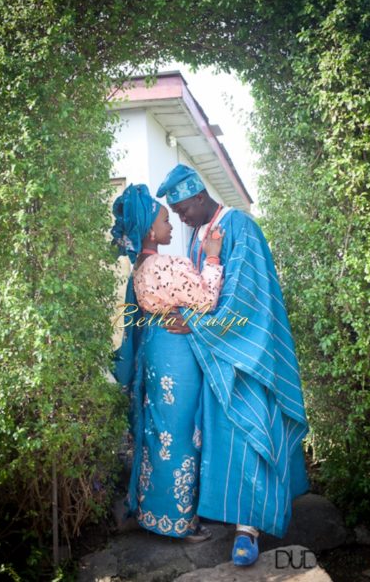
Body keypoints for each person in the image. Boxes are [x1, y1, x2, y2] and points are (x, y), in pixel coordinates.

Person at [155, 164, 309, 566]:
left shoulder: (240, 226)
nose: (181, 218)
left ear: (200, 197)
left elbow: (246, 296)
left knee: (248, 434)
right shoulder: (198, 239)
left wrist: (194, 323)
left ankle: (248, 531)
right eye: (173, 212)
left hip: (247, 355)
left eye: (183, 208)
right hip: (215, 356)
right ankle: (231, 516)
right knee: (223, 436)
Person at [112, 183, 225, 543]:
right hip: (177, 357)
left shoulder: (142, 268)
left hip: (158, 352)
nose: (171, 225)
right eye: (165, 219)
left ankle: (152, 512)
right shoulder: (168, 265)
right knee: (179, 437)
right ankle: (179, 521)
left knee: (159, 433)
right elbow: (205, 299)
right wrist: (212, 257)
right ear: (149, 230)